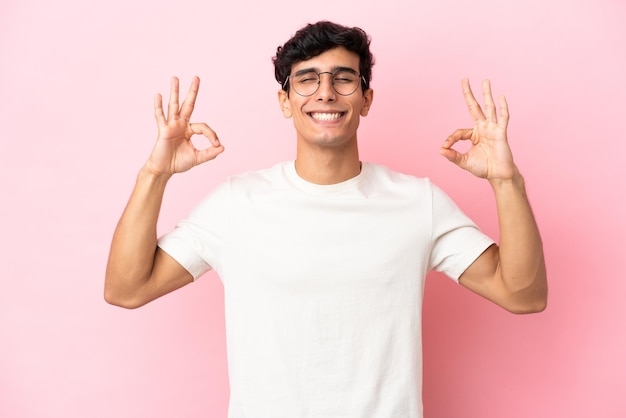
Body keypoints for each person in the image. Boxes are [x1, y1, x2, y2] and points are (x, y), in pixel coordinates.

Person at [105, 21, 547, 418]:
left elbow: (523, 295)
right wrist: (155, 173)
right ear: (285, 101)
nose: (326, 92)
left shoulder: (417, 202)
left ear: (366, 99)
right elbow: (127, 289)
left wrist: (507, 181)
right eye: (307, 80)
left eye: (343, 79)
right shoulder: (237, 204)